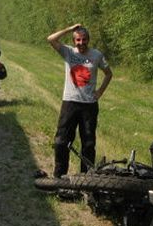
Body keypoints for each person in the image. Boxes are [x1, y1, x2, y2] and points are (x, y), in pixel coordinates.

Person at [47, 23, 113, 177]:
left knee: (88, 144)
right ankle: (59, 177)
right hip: (69, 103)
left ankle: (86, 179)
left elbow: (109, 74)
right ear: (74, 41)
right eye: (78, 40)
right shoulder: (68, 52)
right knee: (61, 142)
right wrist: (70, 28)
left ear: (88, 40)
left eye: (84, 40)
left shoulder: (96, 55)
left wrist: (100, 92)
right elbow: (50, 39)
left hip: (89, 106)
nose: (81, 43)